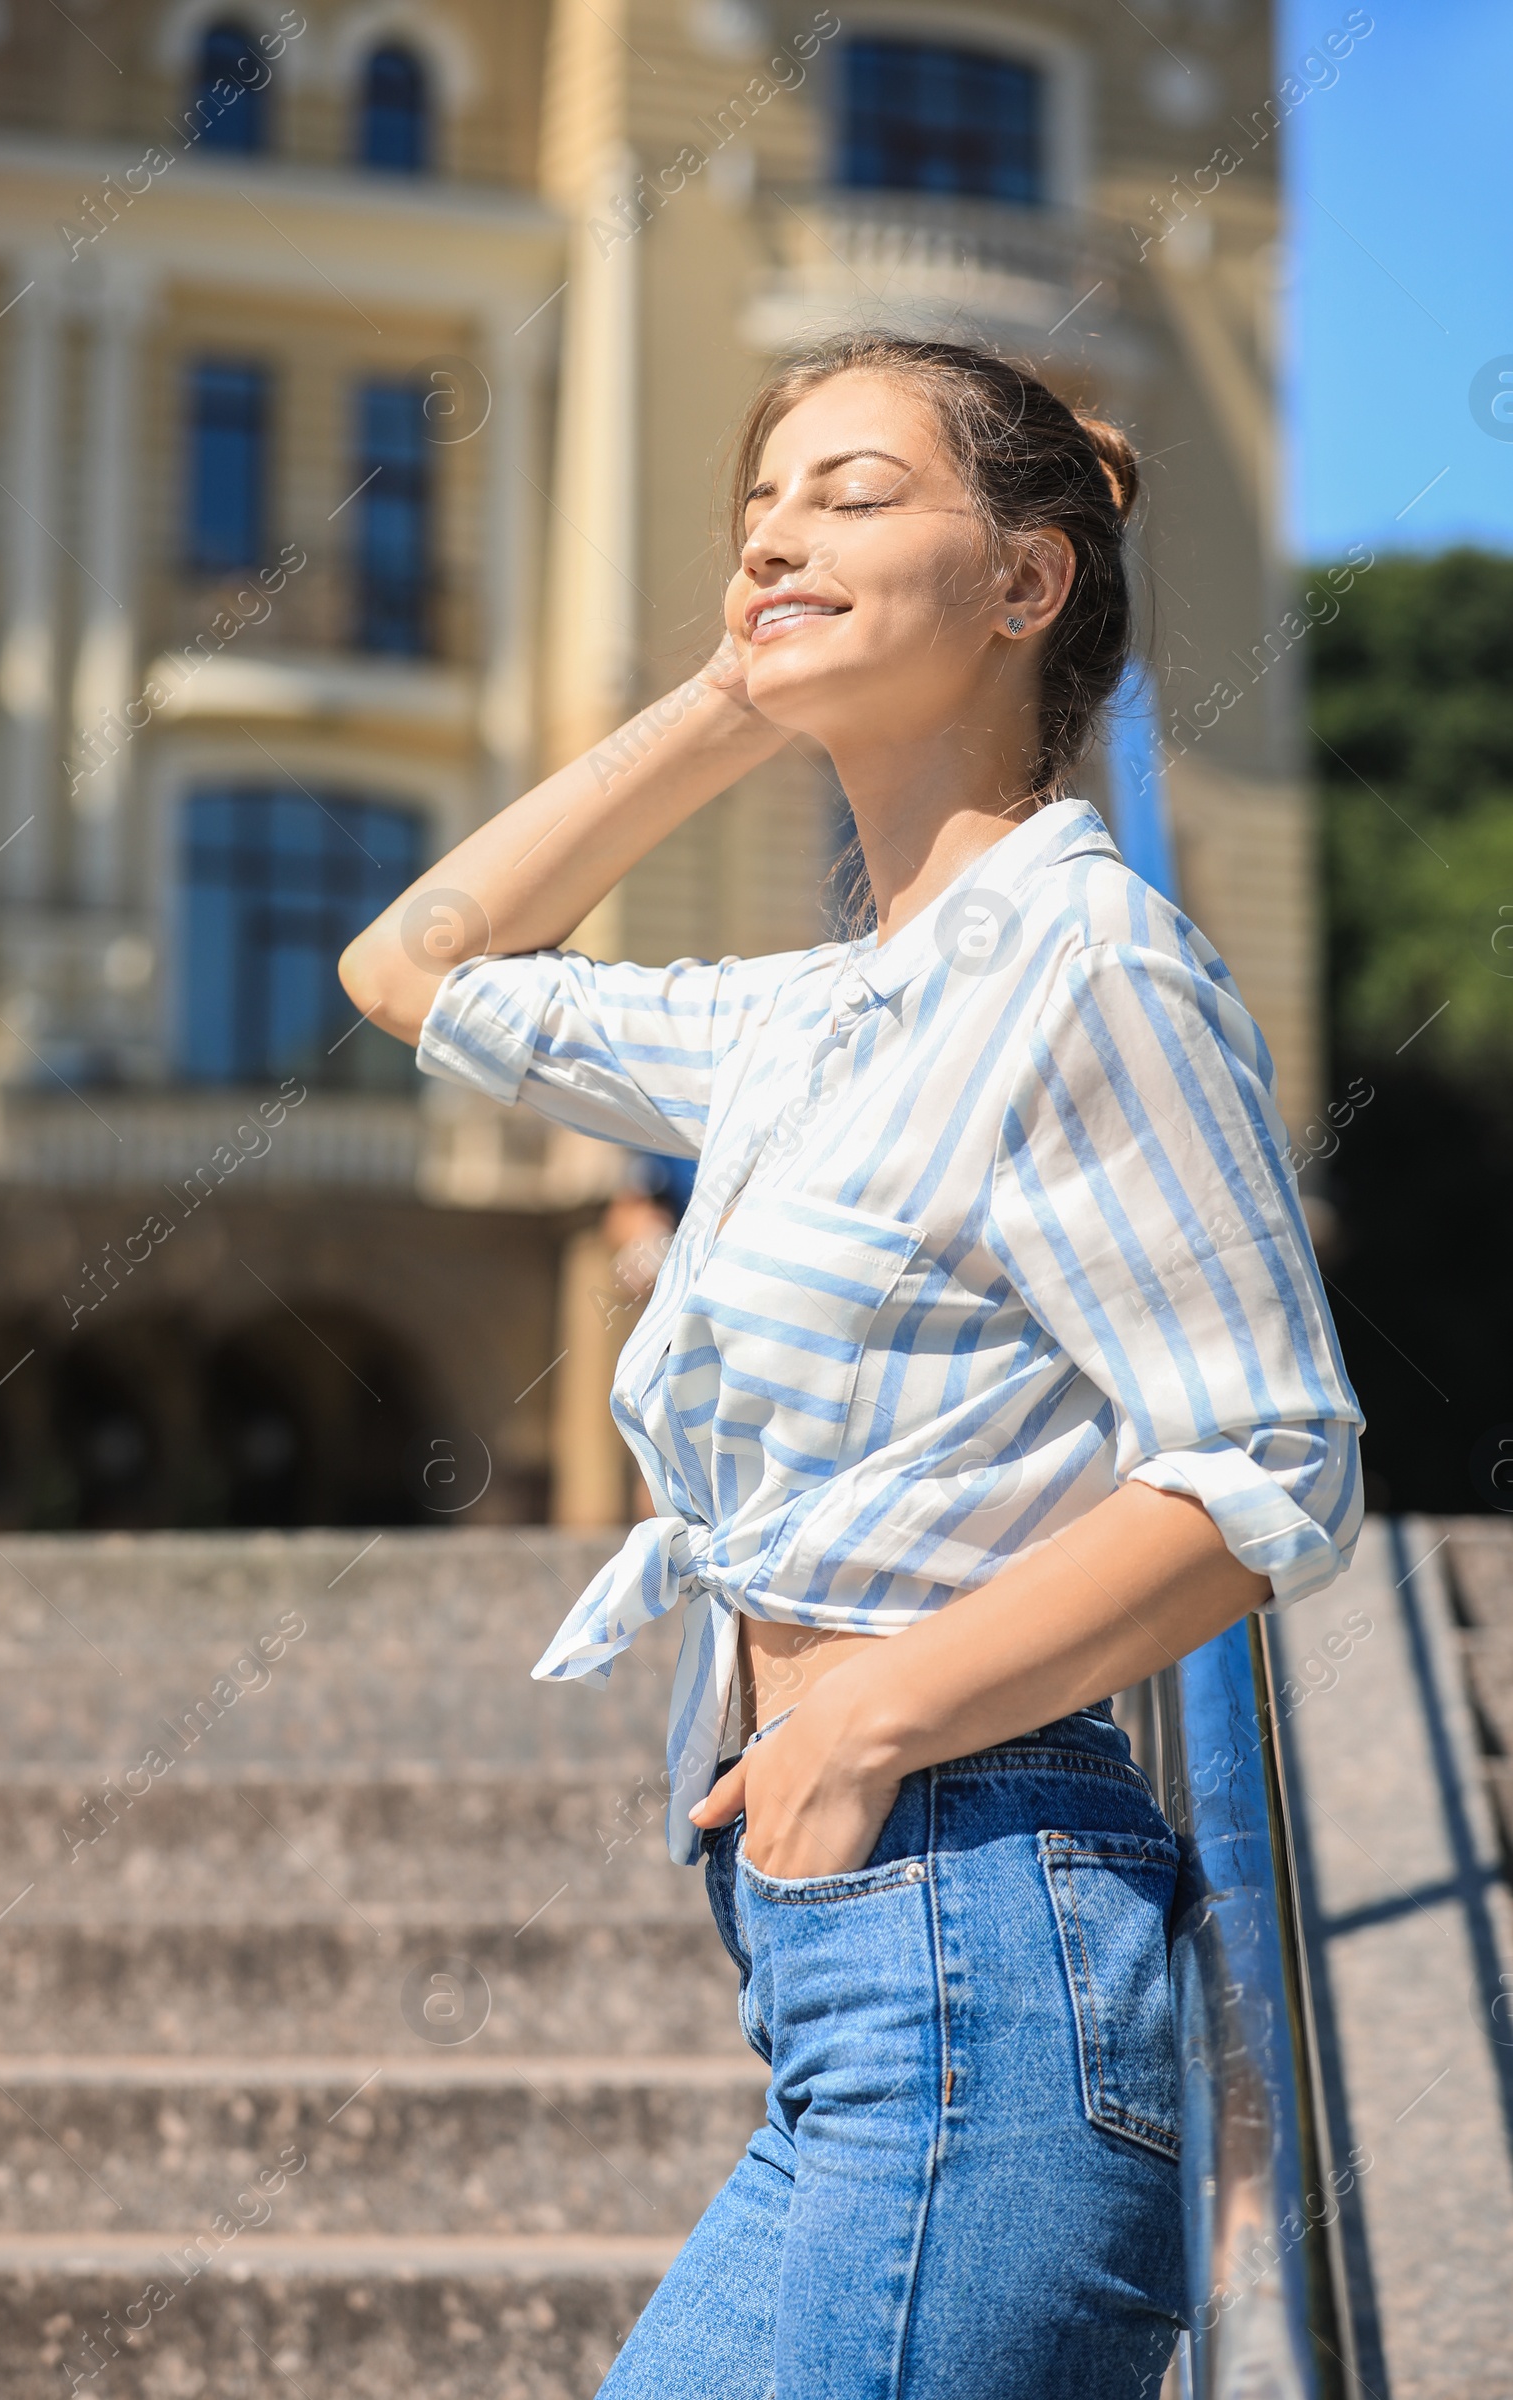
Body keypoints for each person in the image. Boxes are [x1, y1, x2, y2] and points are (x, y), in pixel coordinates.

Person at [339, 335, 1363, 2399]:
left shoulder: (1089, 961)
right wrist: (730, 690)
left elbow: (1265, 1458)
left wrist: (861, 1718)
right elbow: (412, 969)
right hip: (842, 1975)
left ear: (1023, 584)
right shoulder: (809, 1018)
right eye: (758, 505)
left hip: (973, 1932)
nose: (776, 532)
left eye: (853, 493)